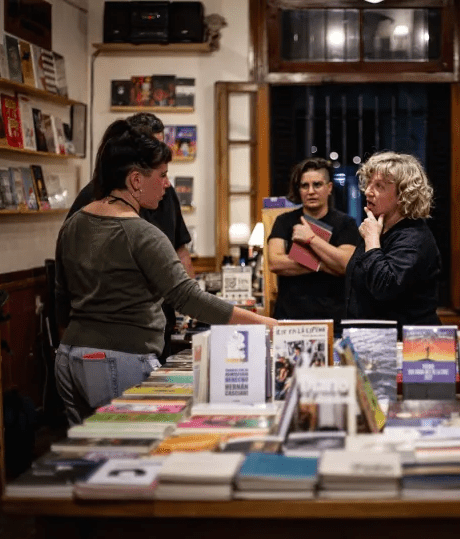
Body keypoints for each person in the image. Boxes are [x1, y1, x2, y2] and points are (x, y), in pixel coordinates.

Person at [54, 121, 276, 425]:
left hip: (69, 358)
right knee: (131, 450)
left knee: (90, 452)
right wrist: (267, 324)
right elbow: (188, 298)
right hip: (118, 359)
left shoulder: (74, 222)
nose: (167, 184)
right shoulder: (142, 233)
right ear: (136, 180)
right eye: (162, 175)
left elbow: (62, 293)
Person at [67, 113, 194, 364]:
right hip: (111, 341)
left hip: (158, 326)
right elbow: (69, 281)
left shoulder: (165, 193)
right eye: (152, 148)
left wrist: (188, 306)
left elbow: (181, 251)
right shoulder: (93, 201)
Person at [344, 151, 442, 325]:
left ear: (403, 196)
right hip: (369, 336)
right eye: (368, 183)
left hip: (407, 338)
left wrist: (372, 241)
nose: (368, 191)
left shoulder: (415, 237)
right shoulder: (378, 229)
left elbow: (385, 287)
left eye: (379, 186)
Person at [267, 158, 360, 321]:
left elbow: (346, 265)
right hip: (289, 318)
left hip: (333, 318)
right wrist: (325, 264)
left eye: (317, 185)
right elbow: (275, 262)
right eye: (305, 186)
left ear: (329, 187)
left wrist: (311, 239)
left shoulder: (346, 223)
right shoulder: (284, 221)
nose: (311, 191)